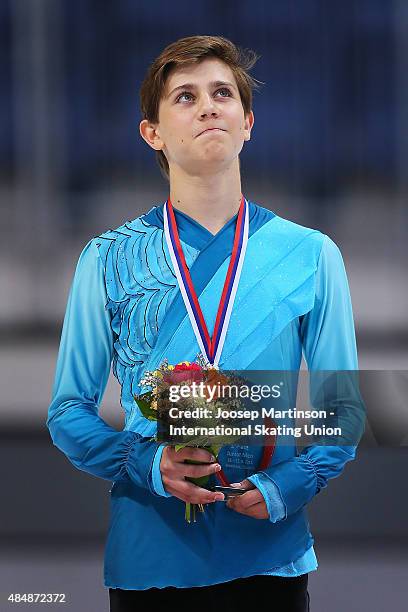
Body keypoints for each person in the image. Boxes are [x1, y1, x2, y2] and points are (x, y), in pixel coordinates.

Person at [46, 35, 364, 612]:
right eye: (185, 97)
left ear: (247, 123)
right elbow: (68, 411)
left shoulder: (313, 255)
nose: (208, 106)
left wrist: (288, 484)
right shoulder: (108, 258)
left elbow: (344, 408)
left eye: (222, 93)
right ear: (153, 133)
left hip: (271, 552)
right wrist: (146, 464)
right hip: (149, 556)